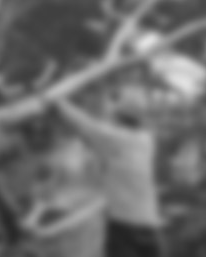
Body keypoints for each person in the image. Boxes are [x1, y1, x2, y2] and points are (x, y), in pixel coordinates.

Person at [55, 94, 164, 257]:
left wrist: (58, 102)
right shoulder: (146, 140)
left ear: (118, 117)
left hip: (123, 224)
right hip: (149, 224)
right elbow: (101, 129)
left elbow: (85, 124)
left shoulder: (114, 138)